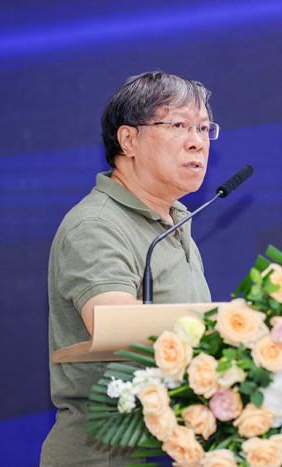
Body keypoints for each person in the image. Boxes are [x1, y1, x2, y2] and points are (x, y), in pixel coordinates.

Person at [40, 71, 216, 466]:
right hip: (107, 455)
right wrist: (230, 328)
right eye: (179, 126)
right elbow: (114, 322)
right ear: (129, 140)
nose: (198, 141)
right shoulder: (96, 225)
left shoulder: (174, 220)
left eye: (204, 128)